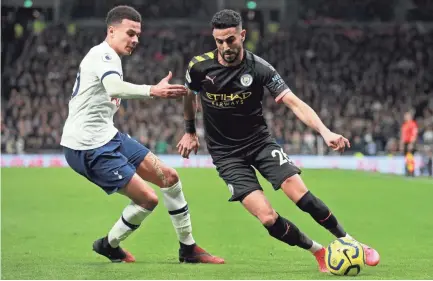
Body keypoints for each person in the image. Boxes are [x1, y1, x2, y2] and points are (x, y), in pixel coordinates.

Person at [177, 9, 379, 272]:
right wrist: (190, 131)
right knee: (267, 217)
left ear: (242, 35)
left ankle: (350, 241)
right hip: (226, 155)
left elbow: (294, 102)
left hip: (260, 144)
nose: (225, 47)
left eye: (230, 39)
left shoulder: (260, 68)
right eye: (219, 41)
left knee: (301, 195)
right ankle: (319, 252)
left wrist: (325, 131)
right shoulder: (199, 67)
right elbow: (188, 96)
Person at [60, 5, 224, 264]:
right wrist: (152, 91)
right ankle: (109, 245)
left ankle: (188, 248)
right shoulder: (103, 56)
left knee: (170, 177)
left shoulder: (110, 57)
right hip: (86, 147)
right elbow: (114, 87)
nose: (135, 39)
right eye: (130, 33)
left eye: (138, 34)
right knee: (148, 199)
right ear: (111, 31)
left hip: (107, 136)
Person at [400, 111, 418, 177]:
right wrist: (401, 144)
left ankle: (411, 172)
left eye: (406, 116)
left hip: (410, 142)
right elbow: (402, 135)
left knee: (410, 157)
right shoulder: (404, 125)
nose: (405, 117)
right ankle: (407, 171)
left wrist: (411, 143)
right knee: (407, 157)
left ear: (410, 116)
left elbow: (414, 134)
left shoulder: (413, 124)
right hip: (405, 143)